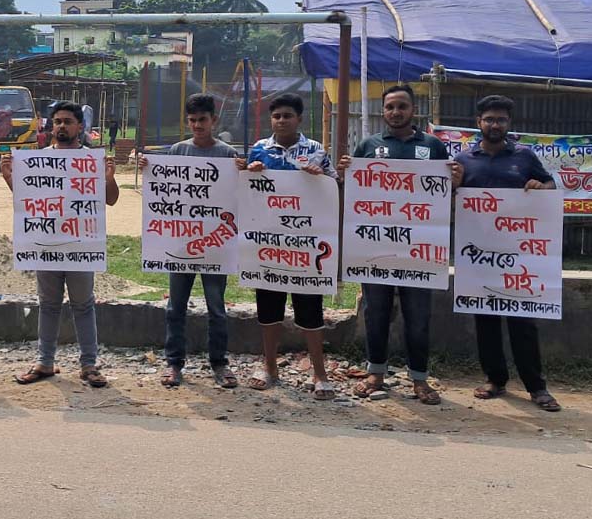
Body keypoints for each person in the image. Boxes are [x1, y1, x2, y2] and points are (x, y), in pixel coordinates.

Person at [337, 84, 462, 405]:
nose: (396, 112)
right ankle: (375, 372)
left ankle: (419, 379)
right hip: (375, 249)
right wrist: (344, 174)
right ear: (383, 111)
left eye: (402, 106)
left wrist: (455, 181)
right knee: (375, 312)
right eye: (390, 107)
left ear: (413, 110)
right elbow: (352, 193)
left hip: (419, 252)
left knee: (418, 317)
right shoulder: (368, 146)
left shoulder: (432, 147)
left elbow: (443, 194)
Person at [2, 101, 120, 388]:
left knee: (83, 305)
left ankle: (89, 365)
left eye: (68, 121)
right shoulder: (38, 159)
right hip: (46, 244)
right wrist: (8, 177)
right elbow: (26, 200)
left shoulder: (91, 160)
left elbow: (111, 199)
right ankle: (45, 362)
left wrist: (108, 179)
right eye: (57, 122)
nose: (62, 126)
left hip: (80, 245)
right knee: (48, 304)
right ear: (51, 126)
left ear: (80, 126)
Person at [456, 95, 561, 412]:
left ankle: (536, 387)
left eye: (501, 119)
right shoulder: (463, 161)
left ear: (509, 124)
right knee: (485, 320)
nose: (495, 124)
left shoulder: (525, 157)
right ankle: (495, 379)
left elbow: (550, 186)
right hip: (479, 255)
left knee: (523, 323)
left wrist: (542, 189)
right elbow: (450, 198)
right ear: (478, 123)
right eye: (489, 119)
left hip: (519, 256)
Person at [138, 94, 241, 389]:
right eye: (193, 120)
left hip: (216, 246)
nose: (198, 125)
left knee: (217, 307)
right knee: (175, 307)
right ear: (187, 121)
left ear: (213, 121)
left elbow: (237, 195)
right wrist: (147, 164)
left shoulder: (228, 155)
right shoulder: (177, 150)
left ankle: (219, 364)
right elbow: (162, 183)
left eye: (203, 120)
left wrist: (243, 172)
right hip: (181, 244)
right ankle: (174, 363)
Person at [245, 93, 337, 400]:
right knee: (268, 312)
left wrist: (321, 177)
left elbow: (334, 189)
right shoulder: (259, 149)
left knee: (311, 314)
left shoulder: (315, 151)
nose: (281, 120)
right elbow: (246, 191)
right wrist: (249, 172)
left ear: (299, 118)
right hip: (269, 245)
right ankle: (269, 366)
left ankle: (319, 373)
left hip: (306, 248)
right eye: (276, 116)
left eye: (287, 115)